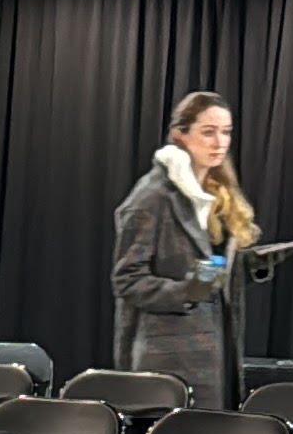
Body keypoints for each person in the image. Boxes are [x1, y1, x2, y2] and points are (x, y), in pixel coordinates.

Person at [110, 91, 259, 407]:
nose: (220, 142)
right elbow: (127, 280)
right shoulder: (152, 197)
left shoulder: (215, 194)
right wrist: (186, 292)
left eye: (226, 131)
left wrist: (255, 264)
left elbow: (213, 267)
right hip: (170, 358)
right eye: (208, 132)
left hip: (215, 349)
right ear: (181, 135)